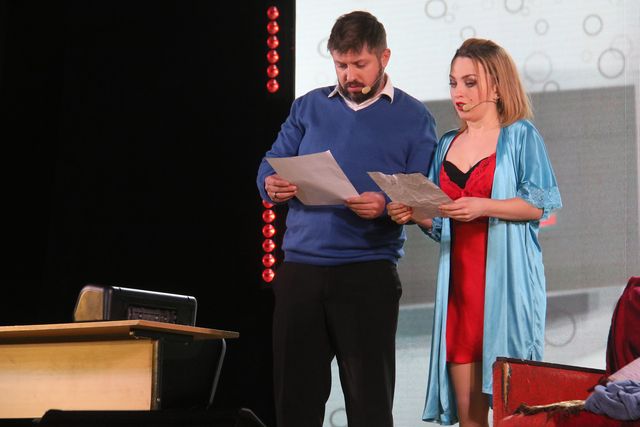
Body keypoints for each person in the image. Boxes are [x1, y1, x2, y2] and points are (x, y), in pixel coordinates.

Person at [256, 10, 437, 427]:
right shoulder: (308, 107)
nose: (349, 75)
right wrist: (271, 184)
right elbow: (270, 163)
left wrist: (385, 205)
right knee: (295, 404)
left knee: (369, 404)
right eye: (341, 65)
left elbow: (423, 194)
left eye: (359, 64)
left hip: (367, 274)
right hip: (301, 273)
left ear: (384, 57)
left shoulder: (414, 116)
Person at [388, 38, 562, 426]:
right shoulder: (446, 144)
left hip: (508, 290)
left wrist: (483, 206)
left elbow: (539, 204)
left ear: (497, 87)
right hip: (459, 296)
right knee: (470, 420)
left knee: (514, 416)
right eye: (453, 83)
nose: (458, 93)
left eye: (469, 83)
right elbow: (440, 222)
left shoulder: (521, 136)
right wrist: (415, 214)